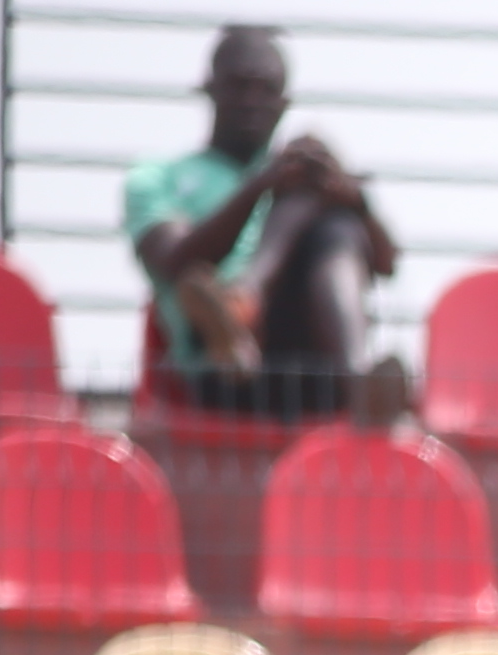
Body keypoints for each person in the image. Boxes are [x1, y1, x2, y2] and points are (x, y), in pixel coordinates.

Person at [123, 25, 408, 424]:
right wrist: (260, 185)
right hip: (219, 369)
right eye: (239, 85)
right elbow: (173, 261)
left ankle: (247, 304)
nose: (251, 100)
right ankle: (233, 318)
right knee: (309, 198)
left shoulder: (302, 174)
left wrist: (352, 200)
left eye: (266, 88)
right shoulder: (158, 177)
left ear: (284, 101)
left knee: (331, 220)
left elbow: (387, 264)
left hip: (311, 369)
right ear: (209, 88)